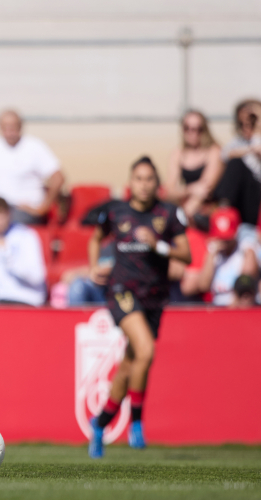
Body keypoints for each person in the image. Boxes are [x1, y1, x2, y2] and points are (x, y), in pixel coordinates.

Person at [87, 156, 191, 459]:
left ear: (157, 183)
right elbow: (95, 238)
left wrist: (158, 244)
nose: (144, 185)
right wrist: (94, 266)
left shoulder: (168, 213)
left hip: (155, 297)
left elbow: (185, 255)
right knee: (146, 350)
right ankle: (136, 424)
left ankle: (100, 422)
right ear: (130, 183)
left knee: (131, 364)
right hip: (122, 291)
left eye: (149, 179)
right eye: (139, 179)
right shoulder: (116, 211)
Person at [0, 109, 64, 225]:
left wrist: (42, 208)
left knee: (10, 224)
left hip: (24, 211)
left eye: (13, 127)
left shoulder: (35, 147)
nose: (9, 131)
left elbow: (58, 178)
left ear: (21, 126)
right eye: (5, 127)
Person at [0, 196, 47, 306]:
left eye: (0, 215)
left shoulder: (27, 236)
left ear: (9, 214)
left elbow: (37, 277)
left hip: (26, 300)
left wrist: (8, 255)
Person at [165, 110, 223, 223]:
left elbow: (206, 188)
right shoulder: (178, 153)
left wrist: (184, 214)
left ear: (204, 130)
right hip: (186, 205)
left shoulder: (214, 151)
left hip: (207, 209)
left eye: (198, 129)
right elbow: (170, 191)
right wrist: (190, 189)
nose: (193, 133)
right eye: (188, 128)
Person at [194, 206, 259, 306]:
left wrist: (249, 253)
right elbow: (203, 286)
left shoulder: (245, 249)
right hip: (217, 307)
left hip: (238, 308)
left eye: (227, 239)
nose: (224, 242)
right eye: (221, 238)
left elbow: (246, 283)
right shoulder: (214, 252)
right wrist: (211, 255)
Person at [214, 100, 261, 227]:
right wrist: (250, 149)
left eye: (251, 122)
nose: (246, 127)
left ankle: (224, 212)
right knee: (235, 164)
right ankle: (223, 211)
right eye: (242, 124)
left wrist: (257, 131)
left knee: (236, 164)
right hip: (245, 198)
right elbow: (225, 154)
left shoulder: (257, 138)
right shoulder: (239, 141)